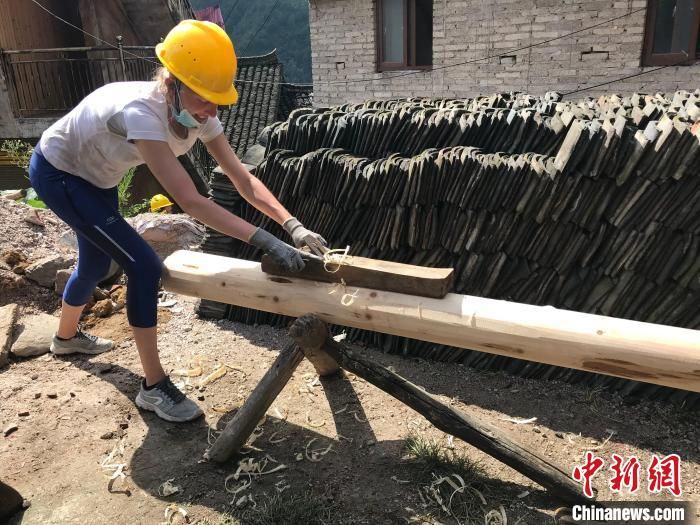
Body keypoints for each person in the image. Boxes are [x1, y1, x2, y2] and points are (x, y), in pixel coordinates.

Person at [28, 20, 327, 423]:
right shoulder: (142, 113)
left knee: (96, 264)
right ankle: (153, 387)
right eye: (205, 98)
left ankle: (65, 339)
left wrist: (292, 225)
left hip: (98, 179)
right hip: (60, 174)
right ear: (173, 82)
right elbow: (190, 201)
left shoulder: (197, 112)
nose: (212, 110)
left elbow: (242, 179)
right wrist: (266, 241)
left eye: (218, 100)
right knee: (144, 266)